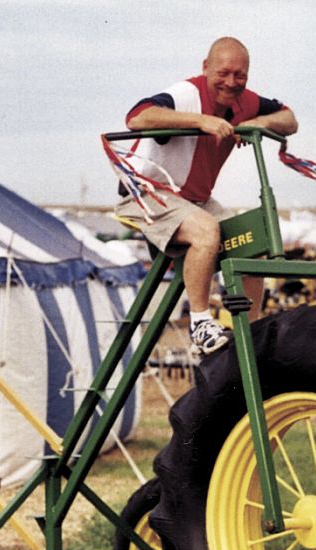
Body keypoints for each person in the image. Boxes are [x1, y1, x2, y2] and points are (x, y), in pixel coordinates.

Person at [115, 36, 298, 356]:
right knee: (206, 230)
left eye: (239, 75)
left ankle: (252, 328)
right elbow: (136, 117)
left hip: (194, 199)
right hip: (148, 192)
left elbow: (289, 119)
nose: (231, 82)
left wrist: (256, 123)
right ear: (205, 68)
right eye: (223, 73)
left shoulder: (246, 102)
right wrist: (201, 121)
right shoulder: (186, 94)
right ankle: (199, 323)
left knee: (253, 239)